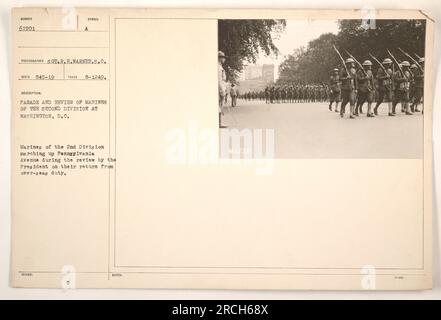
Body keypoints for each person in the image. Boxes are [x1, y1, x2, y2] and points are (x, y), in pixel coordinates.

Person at [218, 51, 227, 128]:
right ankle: (219, 123)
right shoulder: (218, 67)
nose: (224, 59)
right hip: (220, 90)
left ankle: (219, 123)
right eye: (223, 58)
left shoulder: (219, 67)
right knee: (219, 106)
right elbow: (219, 80)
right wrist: (222, 91)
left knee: (220, 106)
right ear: (220, 58)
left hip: (221, 88)